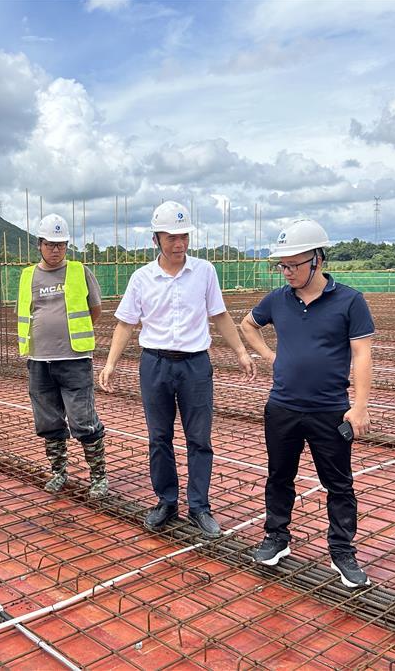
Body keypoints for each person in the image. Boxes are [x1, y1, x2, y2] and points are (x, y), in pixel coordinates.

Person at [99, 201, 256, 538]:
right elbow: (126, 324)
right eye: (171, 237)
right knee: (159, 437)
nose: (179, 243)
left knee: (199, 438)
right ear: (156, 239)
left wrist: (241, 352)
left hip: (195, 365)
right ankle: (166, 502)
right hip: (154, 364)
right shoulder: (142, 278)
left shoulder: (204, 271)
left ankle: (199, 506)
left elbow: (219, 315)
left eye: (183, 236)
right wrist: (110, 364)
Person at [240, 218, 374, 588]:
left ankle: (342, 551)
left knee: (339, 484)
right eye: (282, 265)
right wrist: (271, 357)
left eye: (293, 265)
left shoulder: (349, 301)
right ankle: (276, 537)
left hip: (330, 410)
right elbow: (248, 324)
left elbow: (362, 354)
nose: (286, 272)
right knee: (279, 476)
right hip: (282, 406)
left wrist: (360, 406)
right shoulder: (277, 299)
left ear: (317, 259)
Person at [17, 213, 107, 499]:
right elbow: (27, 311)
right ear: (39, 245)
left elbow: (95, 310)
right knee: (48, 421)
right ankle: (58, 472)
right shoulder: (28, 276)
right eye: (50, 244)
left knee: (83, 420)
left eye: (61, 244)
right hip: (39, 361)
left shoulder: (80, 271)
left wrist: (72, 334)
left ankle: (98, 477)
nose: (56, 250)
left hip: (74, 360)